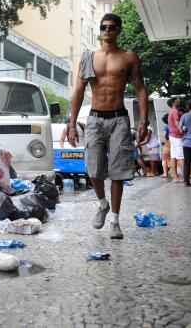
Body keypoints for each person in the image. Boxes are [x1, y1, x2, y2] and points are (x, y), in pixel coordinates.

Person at [64, 13, 148, 240]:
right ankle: (102, 204)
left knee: (119, 172)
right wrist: (71, 124)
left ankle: (115, 221)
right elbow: (79, 92)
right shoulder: (89, 58)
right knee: (93, 169)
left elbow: (140, 88)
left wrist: (143, 120)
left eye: (112, 27)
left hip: (120, 118)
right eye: (104, 27)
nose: (107, 31)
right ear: (99, 31)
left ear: (118, 30)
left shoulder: (129, 57)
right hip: (94, 119)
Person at [168, 98, 185, 182]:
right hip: (177, 136)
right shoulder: (175, 111)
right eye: (178, 100)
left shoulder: (171, 111)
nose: (179, 101)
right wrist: (182, 130)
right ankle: (186, 177)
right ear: (174, 102)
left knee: (173, 156)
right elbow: (176, 122)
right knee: (181, 156)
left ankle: (175, 177)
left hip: (172, 136)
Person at [161, 114, 171, 178]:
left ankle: (165, 173)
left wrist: (163, 142)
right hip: (174, 143)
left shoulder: (166, 127)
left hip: (167, 143)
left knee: (164, 159)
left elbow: (164, 135)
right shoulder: (174, 125)